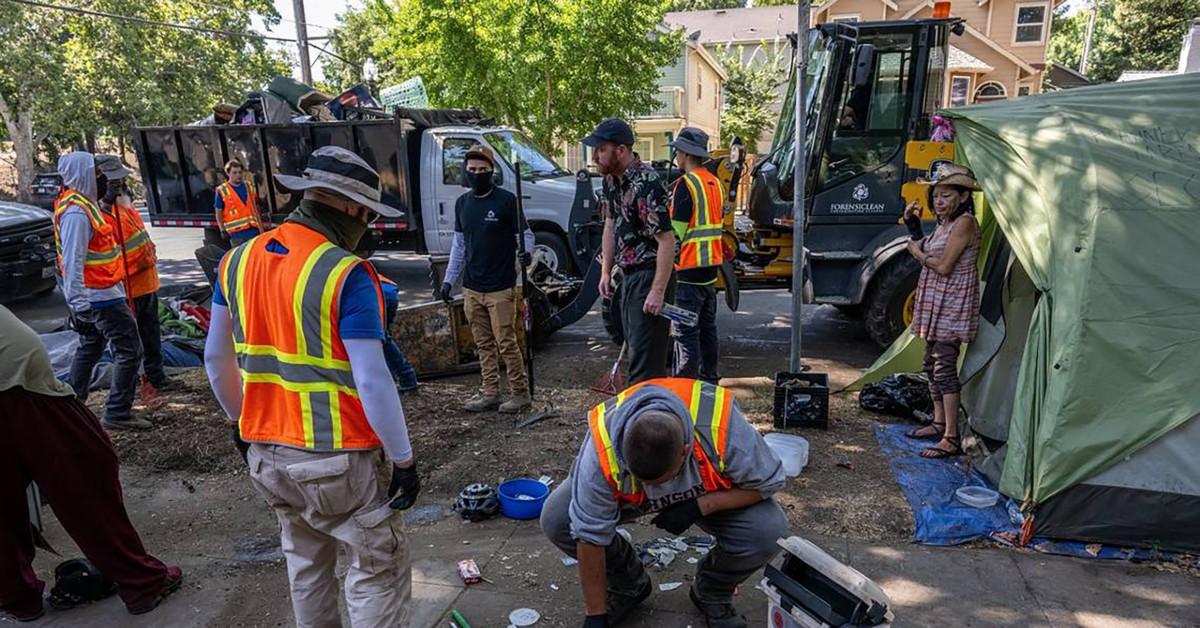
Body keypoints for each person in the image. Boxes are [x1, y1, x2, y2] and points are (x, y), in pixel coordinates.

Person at [204, 146, 420, 627]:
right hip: (338, 460)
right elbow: (371, 377)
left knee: (307, 569)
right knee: (375, 574)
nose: (366, 225)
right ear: (348, 207)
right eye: (366, 215)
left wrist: (242, 425)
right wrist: (403, 459)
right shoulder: (348, 274)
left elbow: (216, 362)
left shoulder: (235, 263)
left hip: (268, 455)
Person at [540, 378, 789, 628]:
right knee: (558, 519)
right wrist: (595, 616)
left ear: (685, 451)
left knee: (768, 530)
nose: (653, 490)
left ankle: (712, 591)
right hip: (630, 500)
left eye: (661, 481)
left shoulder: (723, 429)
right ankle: (628, 584)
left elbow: (769, 482)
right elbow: (589, 535)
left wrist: (702, 506)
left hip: (701, 493)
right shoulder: (601, 453)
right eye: (644, 481)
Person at [0, 305, 182, 622]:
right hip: (21, 387)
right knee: (84, 477)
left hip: (18, 380)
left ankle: (17, 597)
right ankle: (140, 581)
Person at [54, 152, 148, 431]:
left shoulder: (85, 205)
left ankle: (72, 403)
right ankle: (117, 411)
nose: (102, 177)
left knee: (90, 347)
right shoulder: (76, 213)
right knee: (130, 350)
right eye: (95, 171)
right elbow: (72, 261)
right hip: (100, 297)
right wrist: (79, 305)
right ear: (84, 174)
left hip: (100, 293)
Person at [439, 144, 535, 414]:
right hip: (472, 286)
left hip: (500, 286)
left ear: (492, 171)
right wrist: (449, 280)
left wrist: (526, 254)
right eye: (472, 170)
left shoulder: (506, 201)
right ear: (465, 172)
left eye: (483, 170)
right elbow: (459, 246)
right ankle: (490, 391)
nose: (477, 174)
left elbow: (525, 236)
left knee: (506, 341)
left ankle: (520, 392)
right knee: (482, 344)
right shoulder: (462, 204)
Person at [586, 118, 676, 384]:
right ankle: (640, 417)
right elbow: (610, 225)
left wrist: (658, 292)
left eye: (601, 149)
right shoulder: (611, 181)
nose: (595, 156)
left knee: (645, 365)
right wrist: (605, 272)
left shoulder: (646, 182)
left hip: (649, 275)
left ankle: (650, 419)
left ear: (621, 150)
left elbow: (667, 241)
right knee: (634, 351)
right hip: (627, 276)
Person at [903, 161, 982, 459]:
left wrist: (917, 253)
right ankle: (938, 423)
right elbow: (922, 245)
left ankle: (951, 437)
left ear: (963, 197)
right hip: (937, 300)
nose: (939, 201)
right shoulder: (944, 223)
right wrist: (912, 225)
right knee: (930, 363)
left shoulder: (965, 223)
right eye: (936, 195)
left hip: (952, 302)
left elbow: (944, 266)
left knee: (944, 366)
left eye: (946, 196)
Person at [94, 155, 175, 391]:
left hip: (147, 284)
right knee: (131, 343)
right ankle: (135, 383)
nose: (120, 186)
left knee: (151, 335)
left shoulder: (126, 208)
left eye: (121, 182)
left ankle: (156, 376)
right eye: (115, 183)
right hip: (127, 288)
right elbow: (110, 257)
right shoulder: (102, 218)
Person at [667, 128, 725, 384]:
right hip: (710, 273)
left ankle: (685, 385)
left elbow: (675, 234)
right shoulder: (715, 184)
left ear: (685, 154)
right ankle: (710, 380)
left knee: (684, 332)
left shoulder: (685, 185)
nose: (676, 156)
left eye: (678, 151)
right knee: (707, 329)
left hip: (688, 273)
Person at [379, 274, 419, 393]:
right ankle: (402, 379)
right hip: (387, 290)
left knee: (381, 339)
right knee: (383, 339)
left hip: (379, 293)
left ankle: (407, 379)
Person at [213, 159, 264, 247]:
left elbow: (256, 207)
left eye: (240, 172)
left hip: (254, 231)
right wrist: (222, 230)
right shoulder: (222, 190)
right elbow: (218, 213)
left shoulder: (249, 186)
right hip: (236, 234)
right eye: (234, 173)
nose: (238, 175)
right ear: (228, 173)